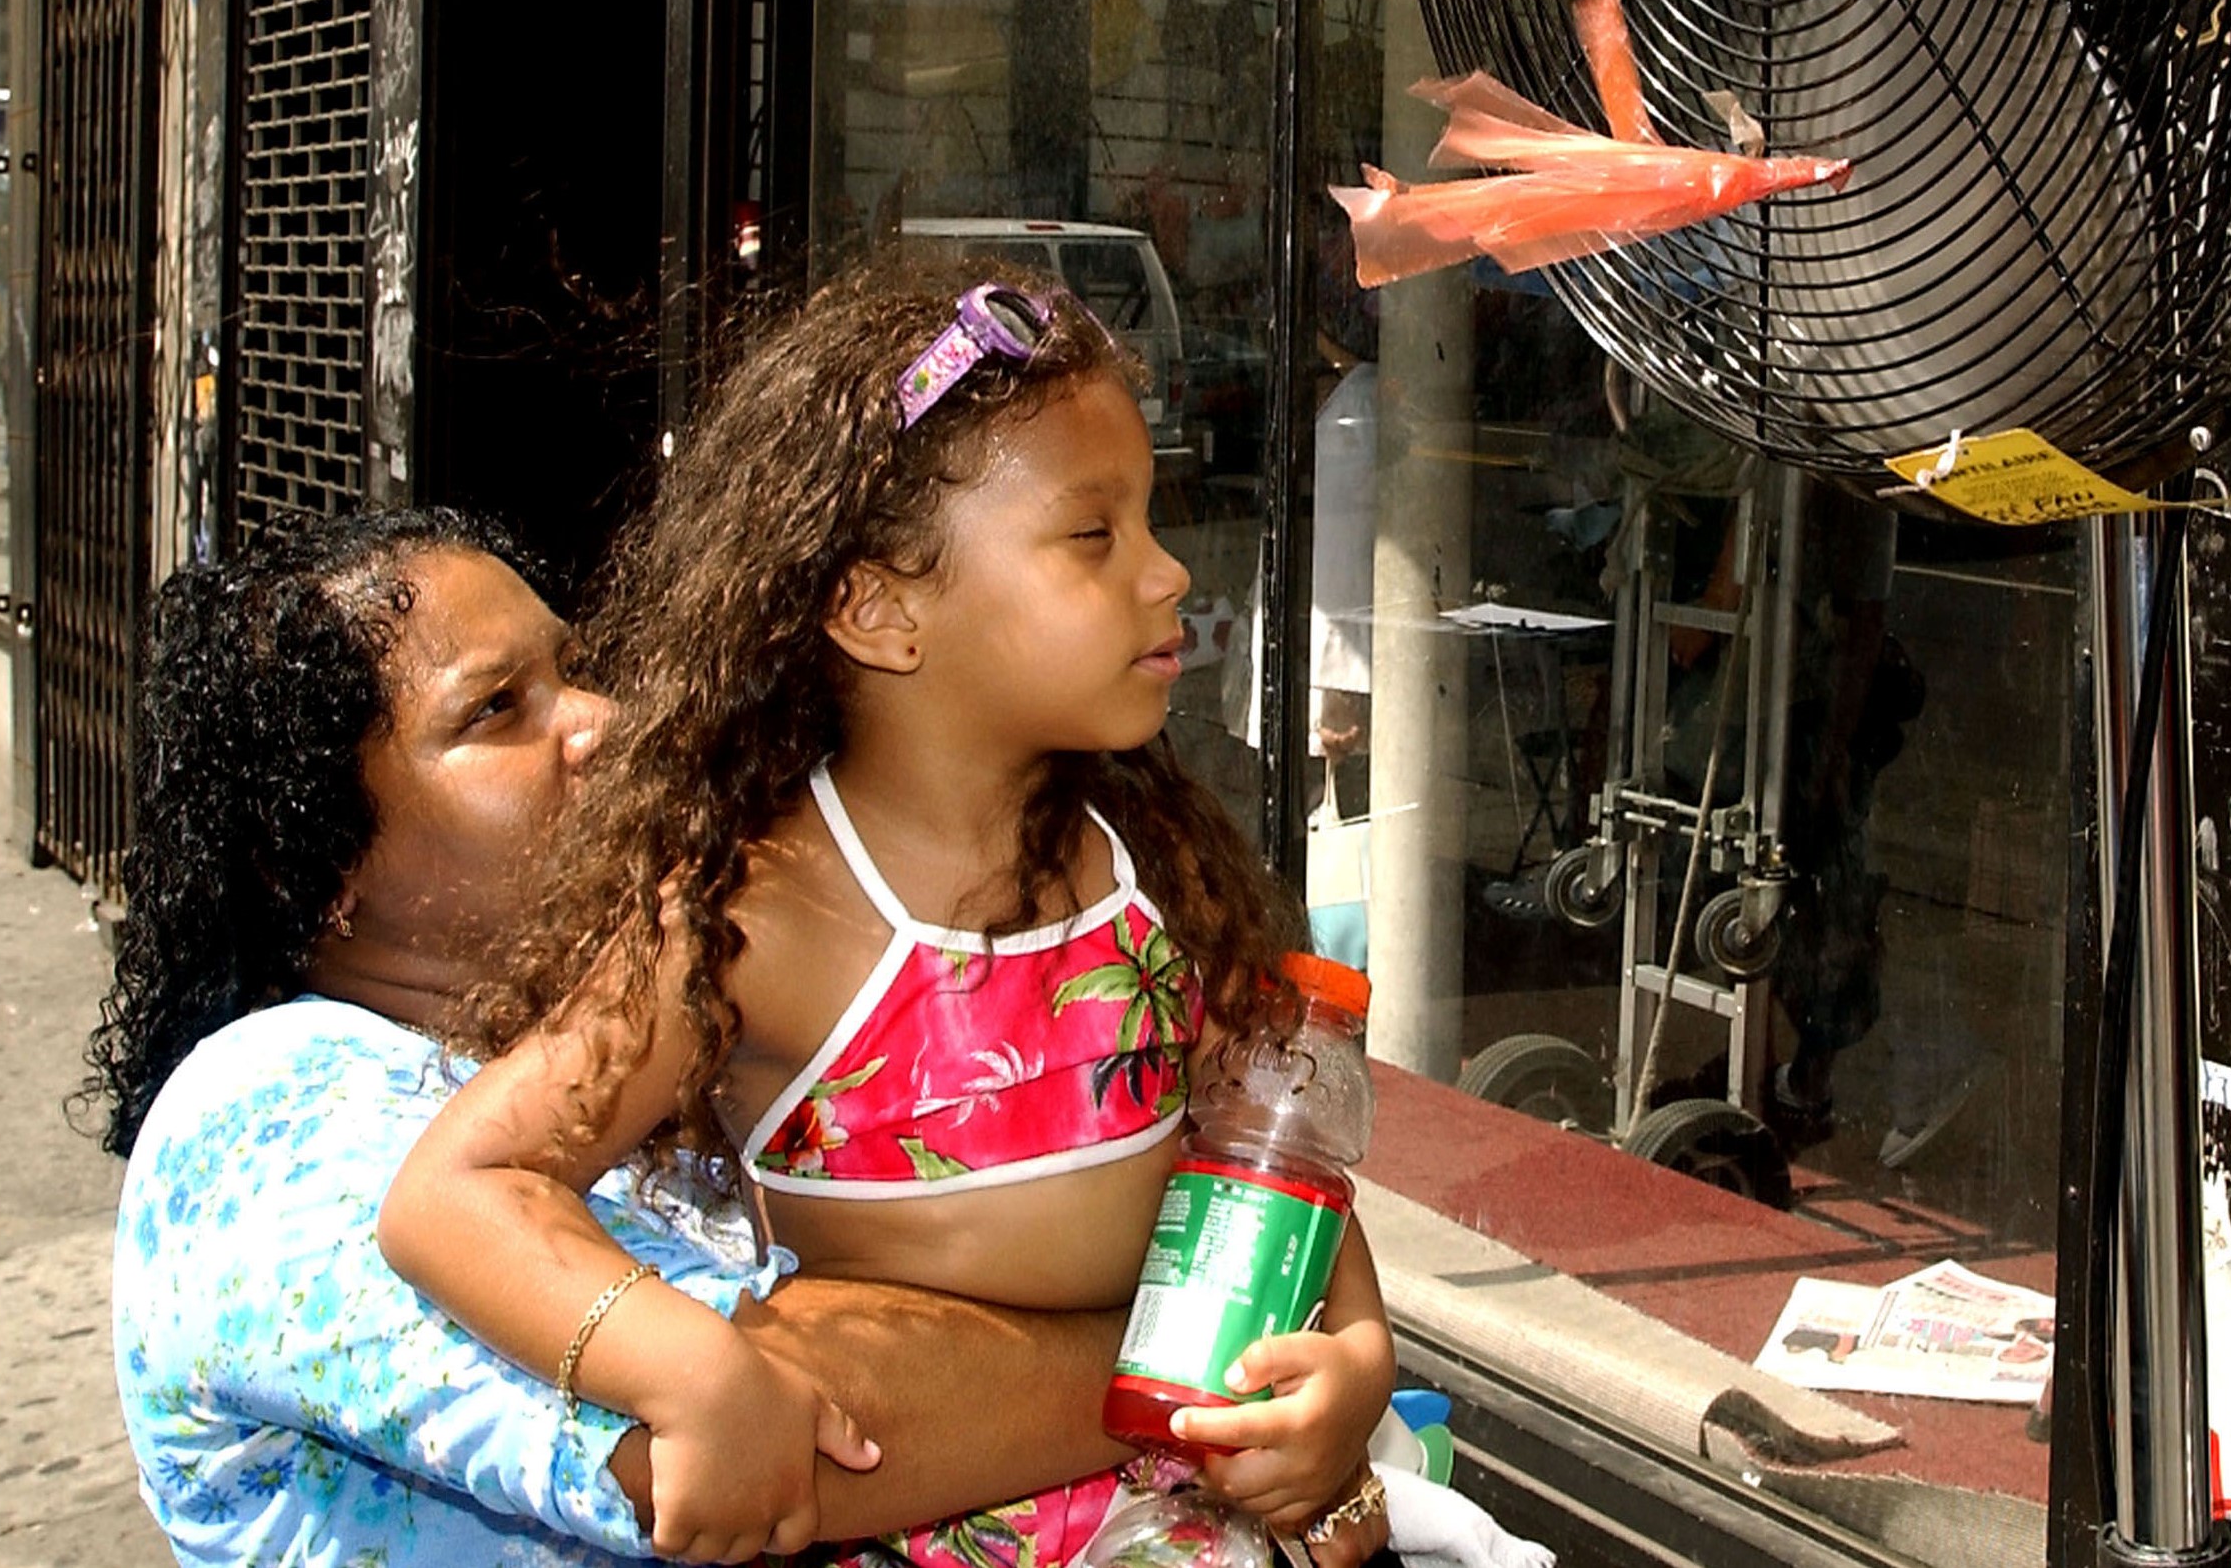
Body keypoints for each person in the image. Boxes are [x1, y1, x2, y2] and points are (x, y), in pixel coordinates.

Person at [382, 269, 1399, 1568]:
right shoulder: (756, 909)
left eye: (1150, 517)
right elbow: (461, 1185)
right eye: (1094, 536)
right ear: (878, 606)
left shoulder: (1144, 861)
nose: (1165, 572)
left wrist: (1354, 1358)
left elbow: (1273, 1153)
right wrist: (684, 1362)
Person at [84, 507, 1142, 1567]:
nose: (602, 719)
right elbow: (788, 1429)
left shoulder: (601, 1034)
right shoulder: (266, 1128)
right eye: (496, 709)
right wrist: (1185, 1347)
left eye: (575, 668)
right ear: (312, 862)